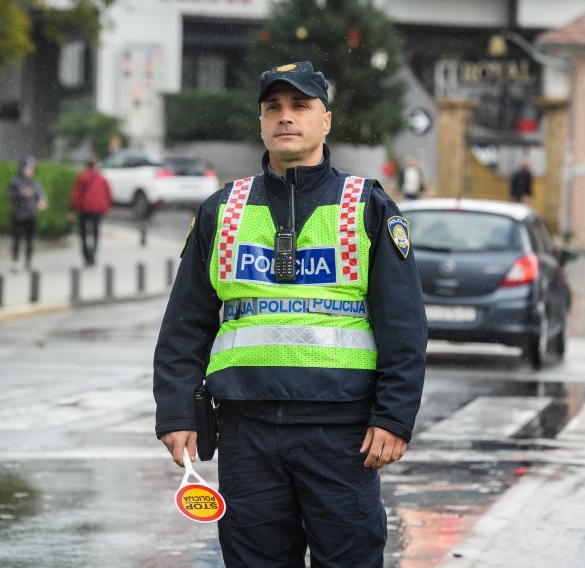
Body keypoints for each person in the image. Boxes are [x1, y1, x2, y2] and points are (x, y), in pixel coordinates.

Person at [153, 61, 427, 567]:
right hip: (245, 431)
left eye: (300, 106)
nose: (286, 117)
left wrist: (394, 417)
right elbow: (185, 324)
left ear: (326, 120)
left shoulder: (366, 206)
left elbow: (403, 325)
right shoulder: (222, 210)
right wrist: (175, 413)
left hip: (343, 435)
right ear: (260, 122)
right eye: (273, 108)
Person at [70, 157, 114, 266]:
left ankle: (85, 253)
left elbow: (76, 193)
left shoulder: (82, 177)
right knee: (96, 231)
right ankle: (94, 250)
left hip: (85, 208)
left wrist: (72, 207)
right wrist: (108, 208)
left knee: (84, 232)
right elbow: (108, 194)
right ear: (95, 166)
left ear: (86, 166)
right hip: (98, 209)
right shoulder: (102, 178)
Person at [8, 156, 47, 271]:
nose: (30, 170)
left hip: (31, 214)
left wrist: (42, 201)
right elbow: (10, 196)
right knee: (17, 239)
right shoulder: (15, 181)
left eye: (32, 168)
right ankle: (15, 261)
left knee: (30, 239)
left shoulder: (34, 183)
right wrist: (20, 193)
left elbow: (41, 195)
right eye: (28, 168)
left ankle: (28, 261)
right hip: (18, 214)